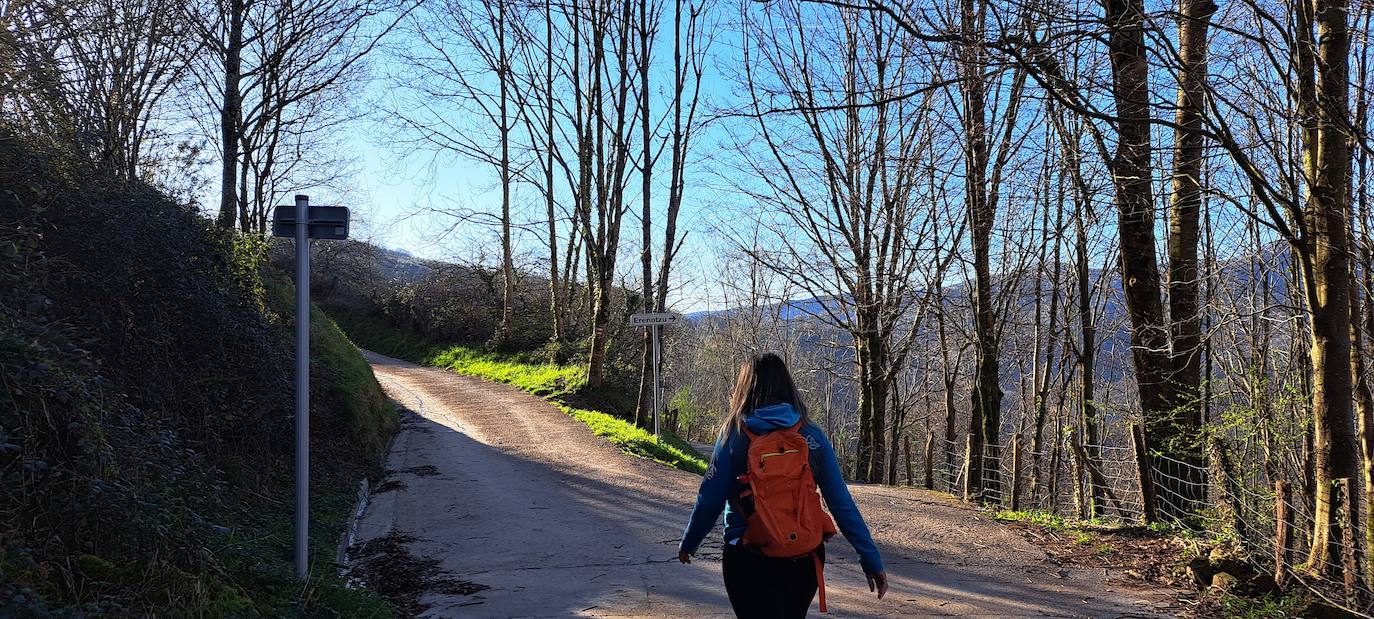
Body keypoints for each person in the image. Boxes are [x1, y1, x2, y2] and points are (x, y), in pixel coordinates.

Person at [677, 353, 887, 617]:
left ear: (745, 388)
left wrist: (690, 542)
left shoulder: (734, 434)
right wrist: (870, 559)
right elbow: (841, 503)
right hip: (803, 556)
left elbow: (710, 499)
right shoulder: (811, 436)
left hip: (747, 552)